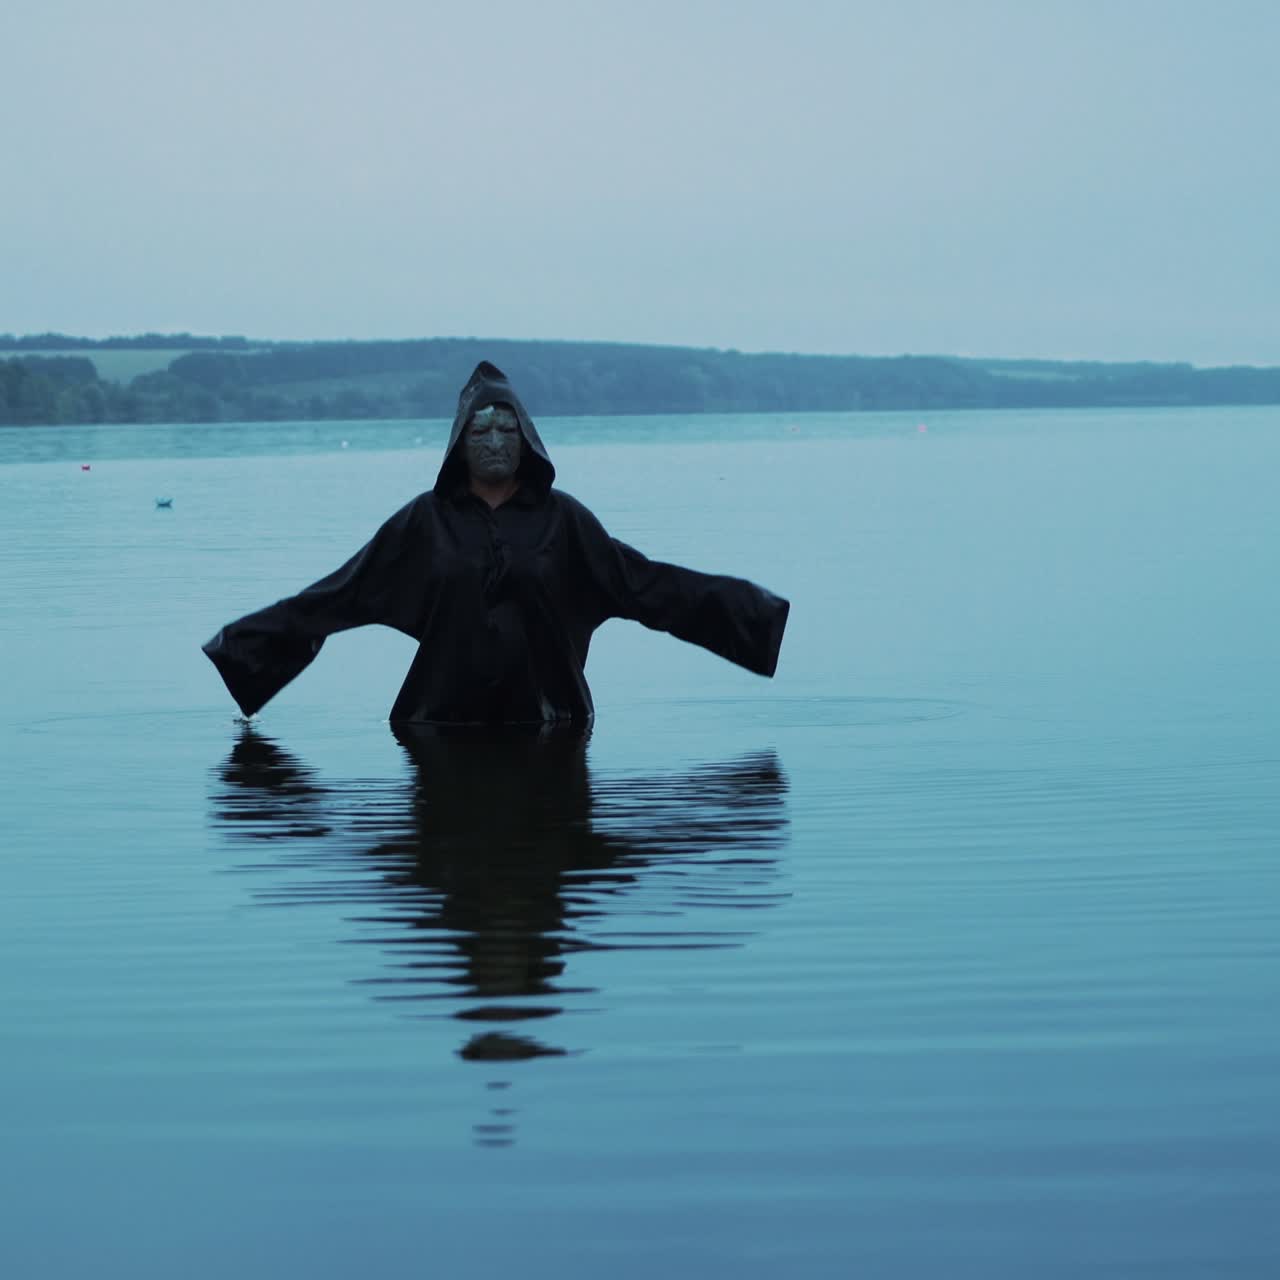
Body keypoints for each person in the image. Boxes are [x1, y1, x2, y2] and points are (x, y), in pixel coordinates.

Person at [202, 361, 789, 724]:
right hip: (439, 725)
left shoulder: (564, 522)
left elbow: (649, 588)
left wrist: (752, 617)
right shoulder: (423, 523)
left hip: (551, 722)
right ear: (459, 442)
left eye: (506, 428)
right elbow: (337, 597)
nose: (493, 440)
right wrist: (244, 648)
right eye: (479, 429)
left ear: (527, 438)